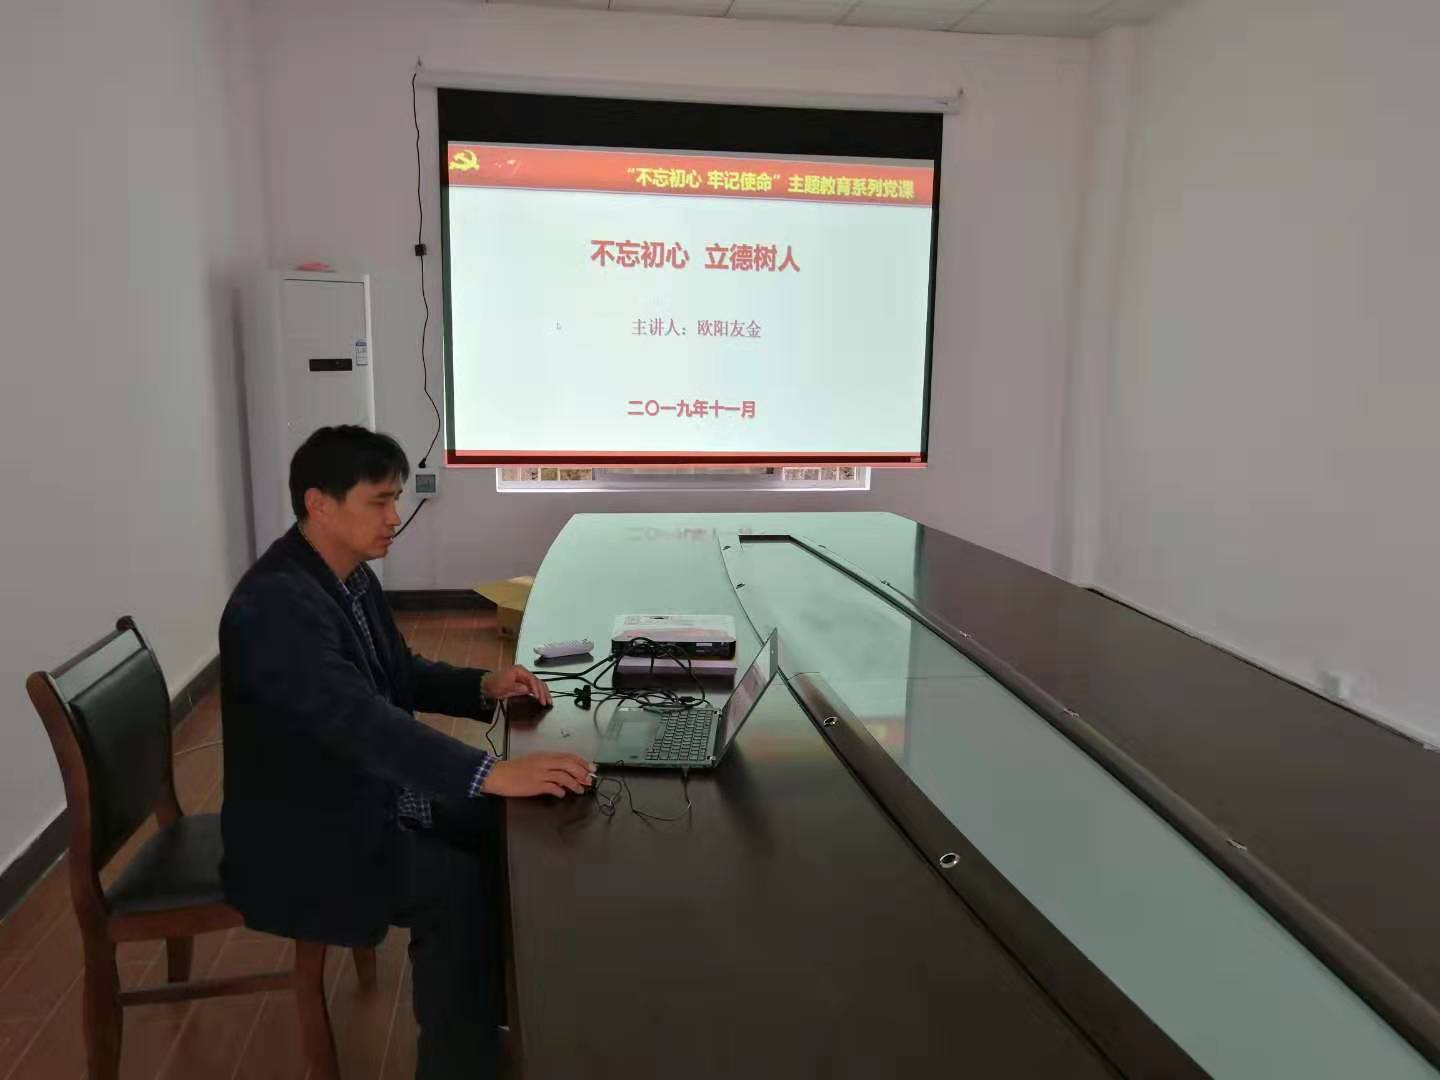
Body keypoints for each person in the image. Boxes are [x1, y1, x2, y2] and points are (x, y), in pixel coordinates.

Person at [219, 425, 592, 1080]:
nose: (396, 517)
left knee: (509, 829)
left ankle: (494, 1018)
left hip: (357, 793)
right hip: (305, 832)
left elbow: (397, 673)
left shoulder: (345, 578)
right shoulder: (275, 606)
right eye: (379, 501)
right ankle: (458, 1062)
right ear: (319, 503)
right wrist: (490, 771)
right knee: (453, 887)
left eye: (395, 499)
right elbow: (360, 723)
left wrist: (482, 685)